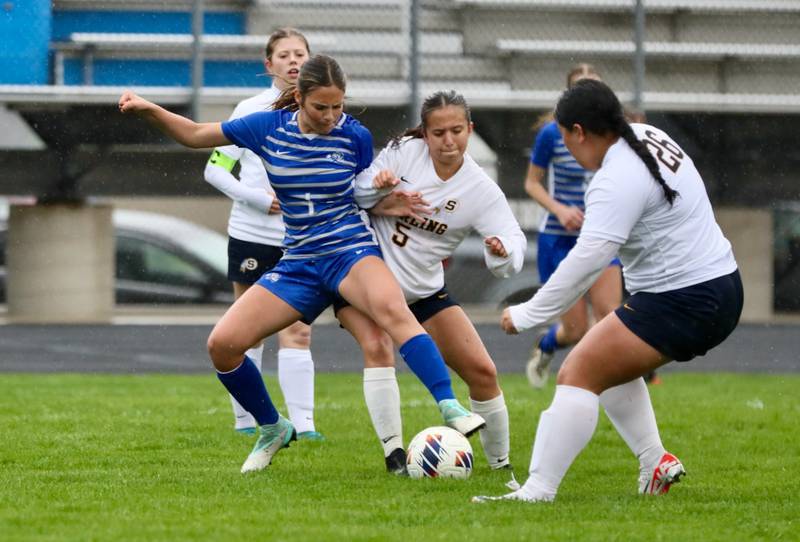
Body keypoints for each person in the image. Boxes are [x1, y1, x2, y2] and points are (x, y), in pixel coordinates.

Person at [118, 54, 485, 474]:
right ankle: (272, 427)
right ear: (299, 98)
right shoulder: (265, 128)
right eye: (321, 107)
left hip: (350, 250)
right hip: (299, 261)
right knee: (222, 345)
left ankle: (450, 406)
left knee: (393, 316)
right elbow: (197, 134)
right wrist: (149, 109)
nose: (332, 117)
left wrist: (383, 193)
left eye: (338, 107)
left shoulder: (355, 136)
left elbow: (363, 192)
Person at [474, 79, 742, 503]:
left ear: (580, 132)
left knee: (576, 373)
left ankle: (538, 491)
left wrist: (528, 313)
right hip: (721, 284)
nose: (565, 148)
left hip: (686, 298)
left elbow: (586, 263)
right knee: (607, 360)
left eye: (564, 138)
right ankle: (654, 462)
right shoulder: (650, 136)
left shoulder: (614, 177)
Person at [339, 90, 526, 473]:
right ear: (424, 133)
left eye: (457, 130)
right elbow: (355, 191)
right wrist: (380, 187)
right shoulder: (404, 152)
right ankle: (394, 456)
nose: (448, 140)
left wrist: (502, 250)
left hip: (422, 290)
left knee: (483, 371)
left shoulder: (480, 188)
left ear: (470, 129)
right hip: (364, 282)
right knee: (377, 345)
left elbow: (513, 240)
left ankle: (501, 468)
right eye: (438, 132)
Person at [204, 27, 323, 440]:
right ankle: (246, 420)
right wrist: (257, 198)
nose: (293, 61)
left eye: (300, 54)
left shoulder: (323, 111)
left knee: (299, 330)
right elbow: (214, 169)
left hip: (302, 241)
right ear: (268, 64)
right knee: (245, 329)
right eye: (284, 55)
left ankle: (305, 426)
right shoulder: (249, 109)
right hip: (252, 234)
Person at [522, 63, 622, 389]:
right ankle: (548, 344)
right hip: (559, 239)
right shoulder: (553, 134)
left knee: (611, 317)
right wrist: (561, 209)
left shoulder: (613, 136)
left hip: (600, 236)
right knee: (575, 330)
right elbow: (532, 184)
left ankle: (599, 384)